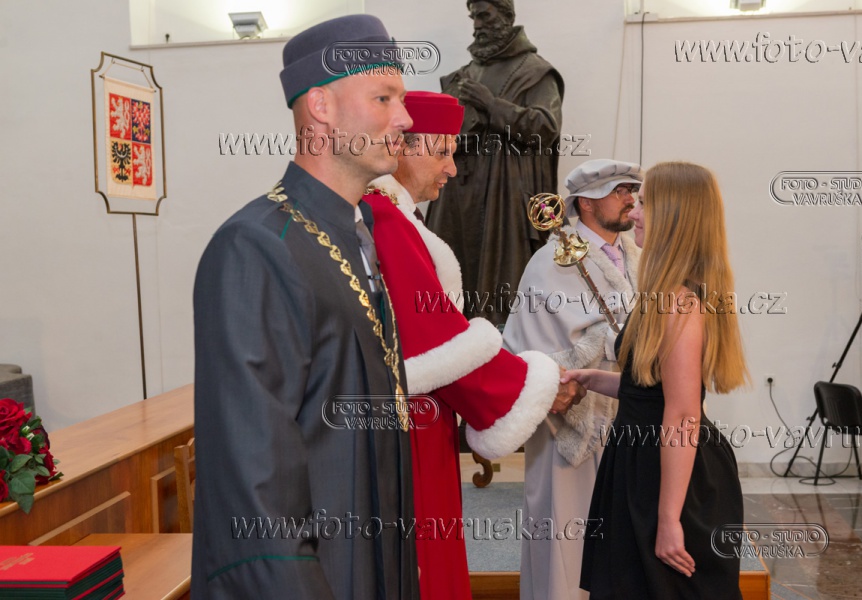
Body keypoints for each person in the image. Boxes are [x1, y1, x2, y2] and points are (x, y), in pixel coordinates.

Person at [191, 16, 419, 599]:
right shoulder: (254, 247)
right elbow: (253, 482)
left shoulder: (354, 236)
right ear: (320, 106)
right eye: (384, 98)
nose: (405, 118)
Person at [361, 90, 583, 600]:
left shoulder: (395, 216)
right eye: (443, 152)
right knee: (424, 560)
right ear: (405, 148)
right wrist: (534, 385)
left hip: (417, 415)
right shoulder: (386, 219)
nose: (453, 169)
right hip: (410, 424)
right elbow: (435, 340)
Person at [564, 161, 749, 599]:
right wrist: (591, 378)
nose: (634, 213)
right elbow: (648, 391)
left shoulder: (680, 303)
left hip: (668, 477)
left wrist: (668, 519)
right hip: (641, 464)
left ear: (674, 217)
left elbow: (682, 414)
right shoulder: (667, 294)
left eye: (644, 203)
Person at [502, 159, 643, 600]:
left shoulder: (639, 255)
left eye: (632, 190)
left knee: (623, 543)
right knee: (566, 536)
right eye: (619, 191)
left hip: (629, 417)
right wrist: (611, 341)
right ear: (586, 202)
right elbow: (528, 350)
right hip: (571, 423)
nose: (630, 199)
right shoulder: (550, 262)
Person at [425, 0, 564, 326]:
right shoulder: (463, 76)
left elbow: (545, 130)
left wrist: (491, 105)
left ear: (505, 15)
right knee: (445, 284)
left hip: (503, 199)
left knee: (499, 293)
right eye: (473, 16)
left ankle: (499, 345)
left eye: (484, 15)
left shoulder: (535, 72)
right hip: (455, 194)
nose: (477, 24)